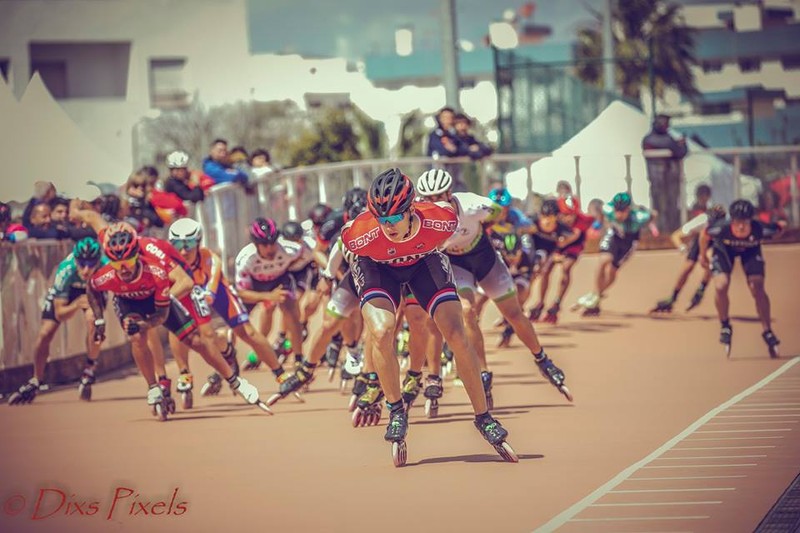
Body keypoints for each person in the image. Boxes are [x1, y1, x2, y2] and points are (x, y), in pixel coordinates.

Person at [340, 167, 519, 466]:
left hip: (422, 262)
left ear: (411, 209)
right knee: (382, 331)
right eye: (381, 219)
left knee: (455, 332)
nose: (388, 225)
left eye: (394, 218)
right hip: (377, 268)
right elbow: (342, 253)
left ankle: (484, 417)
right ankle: (396, 410)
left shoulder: (442, 218)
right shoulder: (359, 233)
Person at [86, 223, 267, 419]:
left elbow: (161, 316)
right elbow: (91, 288)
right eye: (116, 264)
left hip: (158, 299)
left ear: (137, 256)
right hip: (128, 303)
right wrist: (99, 320)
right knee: (136, 336)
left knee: (196, 341)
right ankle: (153, 387)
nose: (123, 270)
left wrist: (147, 322)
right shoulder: (106, 275)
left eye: (128, 263)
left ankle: (235, 381)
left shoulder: (156, 271)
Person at [7, 238, 107, 405]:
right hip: (69, 292)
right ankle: (36, 379)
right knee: (45, 333)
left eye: (91, 264)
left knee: (93, 322)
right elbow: (60, 314)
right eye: (82, 263)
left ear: (98, 261)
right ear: (75, 260)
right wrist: (76, 304)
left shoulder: (105, 267)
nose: (86, 269)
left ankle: (89, 369)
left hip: (93, 289)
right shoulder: (65, 270)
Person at [699, 199, 784, 357]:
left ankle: (767, 330)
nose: (741, 227)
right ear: (731, 220)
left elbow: (779, 227)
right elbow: (704, 234)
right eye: (737, 222)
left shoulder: (761, 229)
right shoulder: (720, 228)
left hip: (750, 251)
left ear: (751, 220)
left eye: (745, 222)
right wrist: (703, 256)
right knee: (721, 285)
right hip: (725, 250)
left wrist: (775, 234)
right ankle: (725, 324)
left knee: (757, 286)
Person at [574, 192, 657, 316]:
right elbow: (600, 211)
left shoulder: (639, 217)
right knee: (604, 260)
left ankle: (596, 296)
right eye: (617, 210)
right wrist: (598, 224)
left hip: (629, 242)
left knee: (612, 271)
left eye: (622, 211)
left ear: (629, 210)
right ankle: (595, 294)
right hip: (614, 236)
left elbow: (654, 214)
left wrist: (650, 221)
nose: (619, 214)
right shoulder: (608, 209)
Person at [650, 204, 727, 313]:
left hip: (715, 241)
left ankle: (701, 290)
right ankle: (673, 297)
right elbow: (675, 235)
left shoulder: (726, 224)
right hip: (700, 239)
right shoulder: (700, 221)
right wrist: (682, 247)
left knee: (711, 263)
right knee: (688, 267)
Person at [642, 113, 688, 233]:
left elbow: (680, 152)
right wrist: (677, 145)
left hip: (670, 180)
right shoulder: (652, 139)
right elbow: (675, 148)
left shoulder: (667, 139)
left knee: (671, 206)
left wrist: (679, 145)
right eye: (663, 122)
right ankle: (661, 231)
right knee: (660, 207)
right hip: (659, 181)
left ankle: (670, 230)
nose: (665, 125)